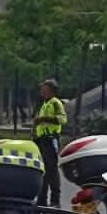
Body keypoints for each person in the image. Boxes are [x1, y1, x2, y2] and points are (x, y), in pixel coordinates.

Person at [33, 79, 67, 207]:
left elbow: (62, 119)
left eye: (45, 89)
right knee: (44, 171)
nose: (42, 91)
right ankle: (42, 199)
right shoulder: (45, 104)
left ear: (51, 91)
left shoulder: (55, 103)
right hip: (42, 140)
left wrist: (44, 119)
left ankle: (55, 200)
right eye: (42, 89)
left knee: (52, 170)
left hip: (51, 140)